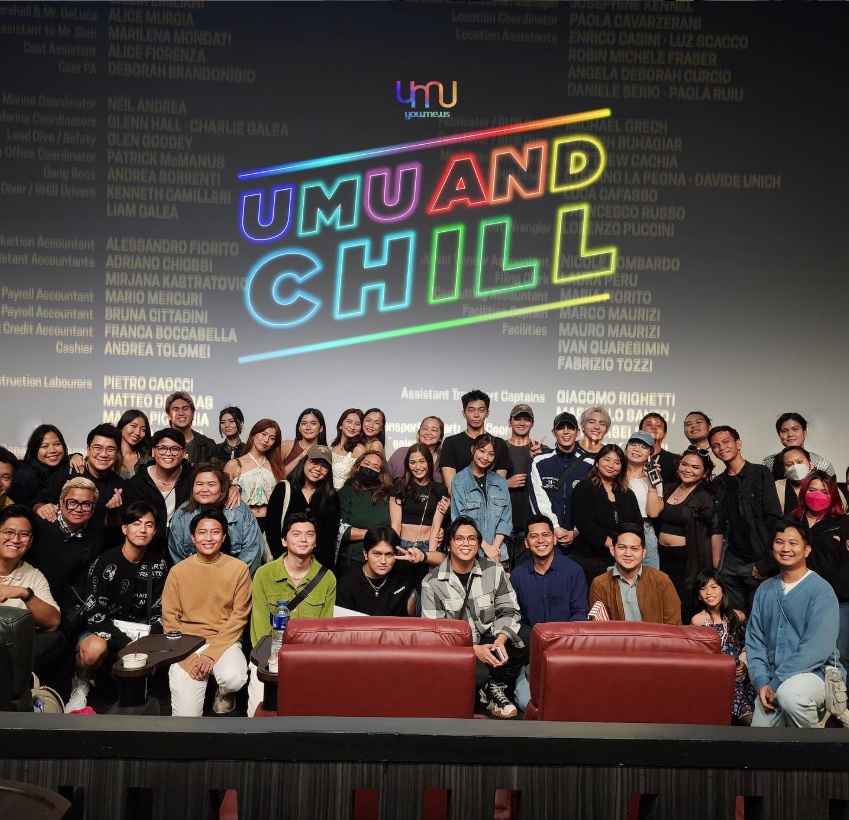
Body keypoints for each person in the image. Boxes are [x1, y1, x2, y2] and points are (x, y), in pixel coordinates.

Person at [421, 517, 529, 719]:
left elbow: (510, 610)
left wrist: (502, 639)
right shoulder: (432, 582)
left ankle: (496, 685)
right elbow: (435, 636)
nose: (466, 543)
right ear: (449, 545)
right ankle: (487, 685)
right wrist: (473, 650)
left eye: (471, 539)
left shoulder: (494, 570)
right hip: (461, 648)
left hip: (492, 638)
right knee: (478, 675)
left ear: (478, 544)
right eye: (459, 538)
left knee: (527, 637)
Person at [67, 502, 168, 713]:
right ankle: (81, 683)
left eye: (149, 525)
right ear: (125, 528)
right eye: (136, 524)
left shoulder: (158, 563)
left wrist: (153, 637)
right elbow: (93, 614)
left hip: (138, 625)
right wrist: (126, 642)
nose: (142, 530)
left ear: (155, 531)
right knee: (94, 650)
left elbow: (161, 608)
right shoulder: (106, 562)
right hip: (101, 624)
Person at [747, 521, 844, 728]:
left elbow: (816, 649)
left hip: (816, 675)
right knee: (757, 743)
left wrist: (776, 682)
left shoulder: (821, 591)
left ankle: (818, 752)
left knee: (791, 695)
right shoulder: (764, 590)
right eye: (779, 542)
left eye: (793, 543)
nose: (785, 548)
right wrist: (762, 682)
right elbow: (755, 642)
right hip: (772, 681)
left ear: (807, 550)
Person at [162, 508, 251, 716]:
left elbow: (239, 617)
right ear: (193, 538)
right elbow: (170, 619)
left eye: (215, 532)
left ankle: (223, 692)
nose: (209, 538)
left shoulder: (238, 569)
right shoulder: (178, 571)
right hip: (187, 643)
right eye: (202, 533)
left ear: (224, 536)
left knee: (234, 678)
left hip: (224, 640)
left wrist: (211, 654)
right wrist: (186, 658)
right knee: (186, 719)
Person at [248, 513, 336, 716]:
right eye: (296, 534)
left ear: (315, 541)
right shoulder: (264, 574)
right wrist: (272, 660)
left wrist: (302, 660)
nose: (303, 539)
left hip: (309, 659)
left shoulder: (327, 578)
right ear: (284, 540)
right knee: (259, 713)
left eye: (309, 534)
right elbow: (259, 627)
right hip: (268, 658)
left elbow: (325, 628)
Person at [710, 426, 783, 611]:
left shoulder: (760, 473)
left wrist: (766, 563)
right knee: (734, 618)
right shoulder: (717, 483)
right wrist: (718, 566)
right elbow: (717, 526)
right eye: (716, 445)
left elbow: (773, 518)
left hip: (757, 561)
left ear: (738, 443)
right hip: (730, 563)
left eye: (726, 442)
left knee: (759, 617)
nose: (722, 448)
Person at [30, 478, 106, 635]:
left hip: (68, 613)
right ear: (61, 501)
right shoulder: (40, 525)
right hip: (32, 602)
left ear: (94, 507)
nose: (78, 509)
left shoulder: (97, 537)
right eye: (72, 502)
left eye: (86, 504)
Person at [0, 505, 64, 684]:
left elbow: (53, 623)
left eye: (24, 534)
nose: (15, 539)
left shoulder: (33, 575)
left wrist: (24, 593)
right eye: (9, 532)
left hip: (13, 653)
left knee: (55, 640)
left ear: (30, 541)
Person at [791, 471, 849, 661]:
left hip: (836, 600)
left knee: (838, 656)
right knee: (801, 653)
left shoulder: (842, 523)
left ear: (833, 495)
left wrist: (829, 593)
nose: (817, 495)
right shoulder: (792, 521)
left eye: (824, 492)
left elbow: (845, 565)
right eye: (812, 490)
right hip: (798, 599)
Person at [656, 448, 718, 621]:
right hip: (662, 556)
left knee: (683, 608)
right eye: (684, 464)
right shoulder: (668, 488)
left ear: (705, 473)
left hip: (687, 561)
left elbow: (715, 530)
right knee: (663, 605)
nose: (688, 469)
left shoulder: (705, 497)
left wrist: (715, 564)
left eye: (695, 467)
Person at [169, 462, 263, 576]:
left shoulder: (239, 512)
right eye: (199, 484)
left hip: (235, 579)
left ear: (222, 489)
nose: (204, 489)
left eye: (211, 484)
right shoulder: (182, 516)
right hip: (195, 580)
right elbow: (178, 558)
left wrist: (231, 580)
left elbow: (252, 552)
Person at [570, 444, 643, 587]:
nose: (611, 465)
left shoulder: (627, 493)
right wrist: (613, 546)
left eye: (617, 462)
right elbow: (586, 525)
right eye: (606, 460)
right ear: (597, 462)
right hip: (591, 557)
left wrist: (625, 549)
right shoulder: (584, 487)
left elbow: (637, 525)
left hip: (624, 558)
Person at [691, 569, 757, 725]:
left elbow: (748, 643)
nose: (709, 592)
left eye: (714, 587)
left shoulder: (737, 616)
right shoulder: (698, 620)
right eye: (703, 588)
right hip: (715, 676)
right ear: (699, 595)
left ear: (722, 590)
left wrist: (744, 662)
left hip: (741, 675)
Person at [34, 424, 124, 536]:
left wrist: (112, 513)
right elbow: (38, 502)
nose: (104, 454)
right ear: (88, 449)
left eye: (110, 449)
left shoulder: (120, 487)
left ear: (117, 453)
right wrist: (42, 507)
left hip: (96, 548)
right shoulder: (68, 471)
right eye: (98, 448)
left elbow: (116, 530)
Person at [336, 524, 444, 616]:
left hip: (397, 636)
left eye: (388, 554)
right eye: (377, 554)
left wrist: (422, 557)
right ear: (365, 554)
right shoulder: (348, 583)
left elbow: (445, 562)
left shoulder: (402, 571)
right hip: (362, 637)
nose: (383, 561)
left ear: (395, 554)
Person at [528, 412, 595, 553]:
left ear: (577, 432)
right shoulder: (540, 462)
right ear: (553, 432)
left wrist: (576, 531)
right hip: (551, 538)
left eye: (570, 428)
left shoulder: (590, 464)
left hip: (582, 539)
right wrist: (555, 527)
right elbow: (538, 499)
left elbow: (593, 503)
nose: (566, 432)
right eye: (560, 428)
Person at [588, 525, 682, 624]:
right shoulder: (600, 584)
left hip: (655, 639)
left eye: (634, 549)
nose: (628, 554)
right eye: (622, 547)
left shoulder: (661, 580)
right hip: (617, 640)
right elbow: (600, 628)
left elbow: (673, 625)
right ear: (612, 550)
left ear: (643, 552)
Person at [266, 445, 341, 566]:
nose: (318, 468)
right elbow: (272, 529)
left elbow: (329, 537)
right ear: (305, 461)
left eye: (324, 466)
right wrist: (281, 561)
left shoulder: (331, 496)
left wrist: (315, 568)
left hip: (317, 567)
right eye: (314, 462)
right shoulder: (283, 489)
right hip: (283, 562)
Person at [122, 429, 193, 550]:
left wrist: (234, 488)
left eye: (175, 449)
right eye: (162, 448)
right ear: (154, 452)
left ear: (183, 453)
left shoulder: (194, 478)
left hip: (184, 549)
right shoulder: (136, 483)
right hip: (146, 550)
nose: (168, 453)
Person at [449, 434, 513, 564]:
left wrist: (494, 548)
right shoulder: (459, 481)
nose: (485, 458)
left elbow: (505, 520)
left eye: (491, 454)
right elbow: (460, 520)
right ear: (473, 449)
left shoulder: (501, 482)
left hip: (498, 553)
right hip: (469, 553)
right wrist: (485, 546)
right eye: (481, 451)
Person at [439, 390, 511, 492]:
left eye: (481, 410)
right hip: (460, 504)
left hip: (490, 504)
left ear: (487, 413)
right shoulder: (451, 442)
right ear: (464, 413)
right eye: (471, 410)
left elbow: (499, 485)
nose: (476, 415)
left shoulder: (499, 443)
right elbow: (451, 485)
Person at [224, 419, 286, 533]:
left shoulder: (276, 467)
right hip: (241, 520)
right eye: (263, 434)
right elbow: (221, 494)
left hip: (270, 521)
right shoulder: (234, 464)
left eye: (272, 438)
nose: (266, 440)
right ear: (253, 435)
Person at [504, 404, 546, 564]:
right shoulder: (499, 448)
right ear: (509, 422)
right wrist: (506, 483)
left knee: (526, 573)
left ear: (533, 423)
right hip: (503, 524)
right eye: (518, 419)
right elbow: (486, 481)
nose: (522, 423)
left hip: (531, 524)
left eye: (526, 419)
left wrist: (537, 459)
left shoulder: (543, 451)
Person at [337, 450, 392, 573]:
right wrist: (375, 534)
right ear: (358, 466)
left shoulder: (388, 495)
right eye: (366, 464)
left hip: (383, 561)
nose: (370, 468)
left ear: (380, 473)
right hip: (352, 560)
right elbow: (342, 531)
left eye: (375, 467)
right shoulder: (346, 492)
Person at [389, 444, 449, 553]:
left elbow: (436, 526)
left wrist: (431, 555)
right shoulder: (399, 486)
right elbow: (395, 524)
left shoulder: (440, 489)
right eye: (413, 462)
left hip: (428, 545)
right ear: (408, 464)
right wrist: (394, 549)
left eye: (422, 461)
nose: (417, 467)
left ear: (429, 462)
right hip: (401, 544)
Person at [624, 431, 663, 570]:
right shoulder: (615, 474)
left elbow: (653, 513)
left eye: (643, 446)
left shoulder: (654, 477)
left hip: (645, 530)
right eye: (633, 444)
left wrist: (652, 483)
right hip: (620, 530)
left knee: (649, 582)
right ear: (626, 448)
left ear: (650, 454)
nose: (636, 449)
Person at [9, 424, 73, 508]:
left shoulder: (65, 469)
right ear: (34, 450)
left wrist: (75, 456)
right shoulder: (25, 476)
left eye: (57, 444)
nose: (52, 450)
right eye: (45, 446)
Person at [763, 413, 835, 480]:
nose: (790, 434)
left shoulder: (822, 465)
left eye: (795, 429)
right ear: (779, 435)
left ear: (804, 433)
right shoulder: (769, 463)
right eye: (784, 431)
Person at [387, 416, 445, 483]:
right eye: (425, 429)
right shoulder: (400, 454)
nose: (428, 433)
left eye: (434, 430)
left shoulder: (443, 460)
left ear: (440, 437)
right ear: (419, 433)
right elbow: (385, 480)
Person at [165, 391, 216, 465]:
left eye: (185, 408)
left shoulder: (208, 445)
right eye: (176, 409)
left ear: (193, 413)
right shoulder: (156, 443)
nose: (181, 413)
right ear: (168, 415)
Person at [280, 408, 327, 477]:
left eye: (313, 424)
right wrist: (300, 457)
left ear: (321, 429)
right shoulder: (286, 446)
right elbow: (274, 477)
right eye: (304, 424)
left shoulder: (324, 453)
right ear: (299, 428)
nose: (308, 427)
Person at [639, 412, 680, 487]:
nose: (654, 427)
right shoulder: (630, 459)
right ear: (640, 431)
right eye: (649, 424)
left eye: (658, 425)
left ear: (665, 434)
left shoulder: (675, 460)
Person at [330, 408, 366, 490]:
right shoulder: (330, 445)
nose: (352, 427)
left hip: (344, 498)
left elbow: (360, 481)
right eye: (349, 422)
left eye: (357, 424)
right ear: (340, 425)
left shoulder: (359, 449)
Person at [776, 446, 815, 514]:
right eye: (789, 464)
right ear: (784, 468)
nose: (795, 467)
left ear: (810, 463)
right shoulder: (776, 486)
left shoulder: (824, 485)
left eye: (800, 462)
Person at [116, 409, 152, 479]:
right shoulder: (108, 455)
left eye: (143, 429)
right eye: (133, 426)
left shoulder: (147, 461)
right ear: (122, 426)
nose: (137, 433)